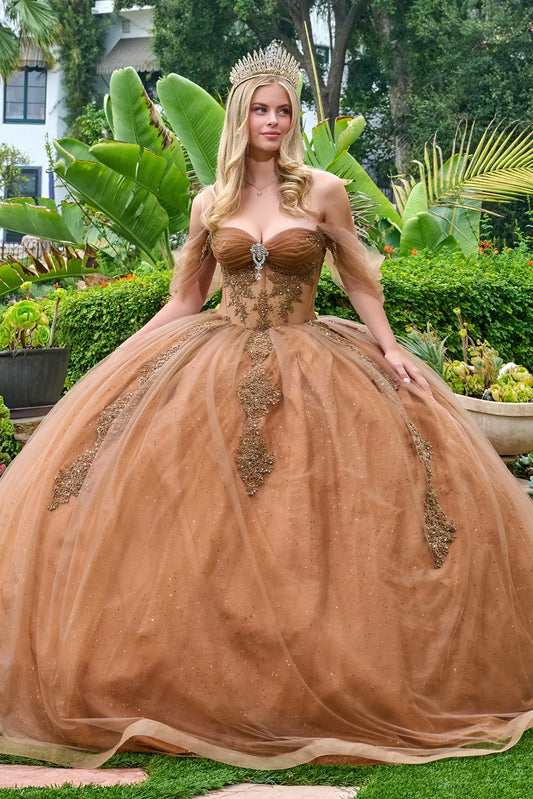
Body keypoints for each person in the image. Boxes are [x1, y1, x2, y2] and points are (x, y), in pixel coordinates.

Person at [0, 42, 533, 771]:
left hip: (313, 360)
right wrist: (129, 352)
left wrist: (390, 348)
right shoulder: (208, 203)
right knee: (196, 528)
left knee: (311, 524)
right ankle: (189, 678)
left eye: (284, 109)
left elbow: (360, 280)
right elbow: (186, 297)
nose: (273, 120)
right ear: (238, 116)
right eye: (261, 108)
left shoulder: (321, 191)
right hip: (214, 358)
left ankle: (323, 675)